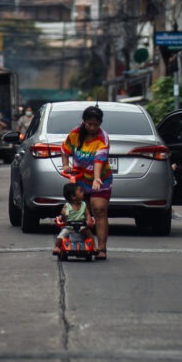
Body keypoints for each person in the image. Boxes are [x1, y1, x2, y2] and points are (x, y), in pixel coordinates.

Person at [61, 104, 112, 260]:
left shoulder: (103, 138)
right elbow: (64, 150)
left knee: (99, 209)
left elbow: (99, 161)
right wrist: (66, 165)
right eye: (89, 124)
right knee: (83, 212)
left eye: (96, 124)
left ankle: (102, 248)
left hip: (100, 178)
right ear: (84, 122)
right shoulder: (75, 134)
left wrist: (97, 178)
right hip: (80, 179)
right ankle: (84, 244)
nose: (92, 127)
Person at [53, 181, 94, 256]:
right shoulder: (67, 206)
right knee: (62, 234)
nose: (83, 193)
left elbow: (88, 214)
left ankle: (93, 247)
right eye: (80, 191)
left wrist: (88, 220)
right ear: (73, 196)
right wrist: (63, 215)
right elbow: (64, 220)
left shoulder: (83, 205)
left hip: (82, 226)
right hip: (70, 227)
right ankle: (56, 247)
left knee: (89, 233)